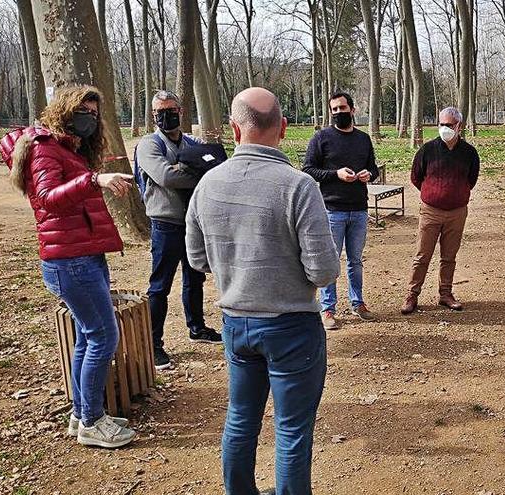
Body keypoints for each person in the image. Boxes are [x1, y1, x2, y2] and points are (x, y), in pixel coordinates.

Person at [186, 87, 340, 495]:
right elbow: (324, 270)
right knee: (291, 431)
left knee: (240, 419)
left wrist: (236, 269)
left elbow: (198, 259)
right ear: (284, 129)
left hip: (236, 325)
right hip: (292, 327)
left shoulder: (207, 184)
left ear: (235, 129)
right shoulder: (298, 186)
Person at [0, 85, 136, 448]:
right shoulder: (45, 148)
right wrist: (93, 179)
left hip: (83, 254)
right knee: (104, 336)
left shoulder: (67, 148)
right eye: (82, 112)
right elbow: (47, 199)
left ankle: (82, 414)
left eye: (94, 114)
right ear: (64, 110)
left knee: (89, 336)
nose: (89, 119)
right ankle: (92, 420)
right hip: (69, 260)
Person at [136, 90, 221, 371]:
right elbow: (165, 176)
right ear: (153, 115)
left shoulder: (192, 142)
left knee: (195, 278)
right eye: (160, 112)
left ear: (181, 112)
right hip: (166, 223)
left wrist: (193, 167)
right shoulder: (149, 145)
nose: (166, 115)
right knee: (160, 285)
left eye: (171, 110)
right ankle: (154, 344)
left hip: (194, 222)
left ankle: (196, 327)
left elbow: (216, 163)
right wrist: (197, 169)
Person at [302, 92, 379, 330]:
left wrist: (369, 175)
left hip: (359, 210)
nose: (338, 113)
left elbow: (373, 168)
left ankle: (358, 303)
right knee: (331, 261)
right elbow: (308, 169)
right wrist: (335, 174)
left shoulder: (364, 139)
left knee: (355, 260)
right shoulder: (321, 138)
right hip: (332, 210)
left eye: (342, 108)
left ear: (352, 110)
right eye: (334, 109)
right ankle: (328, 309)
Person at [400, 107, 480, 315]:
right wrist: (433, 193)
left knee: (449, 256)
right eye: (442, 124)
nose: (445, 128)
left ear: (459, 126)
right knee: (422, 255)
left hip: (457, 212)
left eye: (449, 125)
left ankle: (445, 293)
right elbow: (416, 177)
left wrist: (456, 194)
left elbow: (471, 179)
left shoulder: (469, 153)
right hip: (430, 211)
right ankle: (412, 294)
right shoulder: (427, 150)